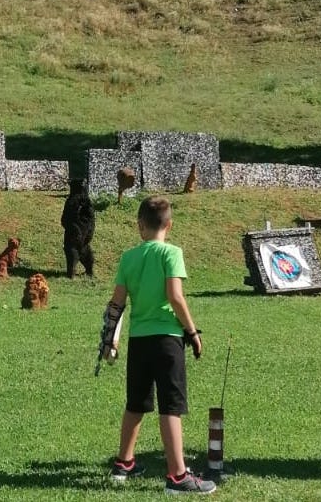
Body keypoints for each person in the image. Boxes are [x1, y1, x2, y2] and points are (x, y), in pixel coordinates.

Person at [101, 195, 216, 494]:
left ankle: (123, 463)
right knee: (171, 406)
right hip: (167, 340)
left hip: (139, 341)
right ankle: (177, 476)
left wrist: (107, 338)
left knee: (136, 403)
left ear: (140, 226)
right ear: (170, 225)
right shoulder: (171, 253)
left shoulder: (128, 257)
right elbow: (175, 296)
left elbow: (116, 304)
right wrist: (192, 332)